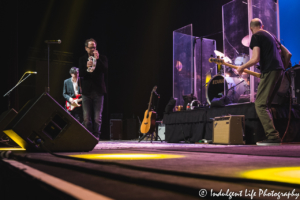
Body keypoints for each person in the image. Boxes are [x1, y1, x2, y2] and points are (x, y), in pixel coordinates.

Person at [237, 18, 284, 145]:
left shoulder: (256, 36)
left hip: (271, 70)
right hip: (280, 70)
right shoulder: (270, 35)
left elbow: (255, 58)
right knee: (266, 104)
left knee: (260, 104)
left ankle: (273, 136)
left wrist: (242, 67)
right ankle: (273, 135)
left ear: (251, 29)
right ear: (262, 25)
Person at [79, 38, 108, 140]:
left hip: (98, 91)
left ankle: (96, 137)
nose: (93, 50)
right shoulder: (82, 59)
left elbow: (105, 69)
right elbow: (81, 74)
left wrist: (98, 59)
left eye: (94, 48)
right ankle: (89, 137)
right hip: (86, 92)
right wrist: (86, 67)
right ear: (86, 48)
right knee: (86, 118)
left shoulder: (102, 58)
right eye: (91, 48)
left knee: (97, 118)